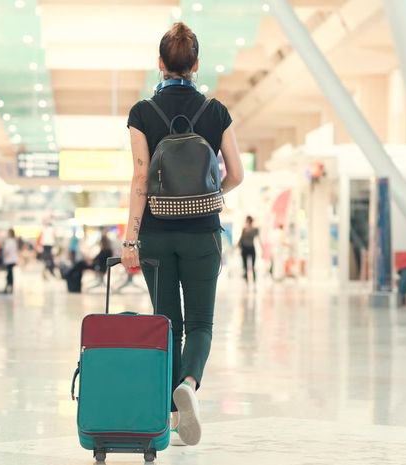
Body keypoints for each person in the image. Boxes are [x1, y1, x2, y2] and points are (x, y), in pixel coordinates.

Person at [122, 22, 244, 447]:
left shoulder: (141, 113)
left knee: (168, 323)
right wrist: (211, 196)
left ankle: (173, 417)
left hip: (155, 233)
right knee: (201, 323)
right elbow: (237, 173)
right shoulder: (215, 111)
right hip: (202, 234)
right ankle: (189, 383)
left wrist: (130, 239)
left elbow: (141, 176)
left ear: (160, 63)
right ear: (196, 65)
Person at [237, 216, 260, 283]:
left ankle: (252, 279)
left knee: (251, 265)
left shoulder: (254, 229)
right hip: (246, 248)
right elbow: (241, 239)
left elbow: (258, 238)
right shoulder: (245, 229)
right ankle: (248, 279)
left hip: (249, 248)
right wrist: (238, 245)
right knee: (246, 265)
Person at [0, 229, 18, 295]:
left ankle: (7, 288)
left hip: (9, 260)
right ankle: (10, 288)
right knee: (10, 274)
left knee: (9, 275)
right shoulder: (14, 241)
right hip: (13, 260)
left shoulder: (9, 241)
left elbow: (6, 250)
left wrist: (4, 256)